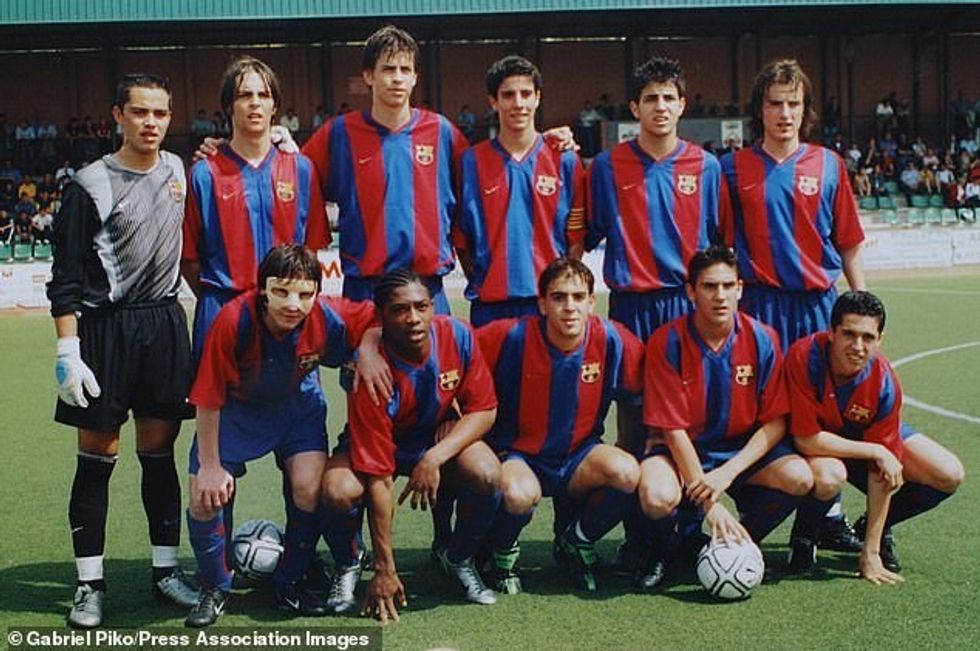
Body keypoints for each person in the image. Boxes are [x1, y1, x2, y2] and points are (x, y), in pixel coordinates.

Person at [46, 73, 198, 629]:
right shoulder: (88, 184)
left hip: (163, 324)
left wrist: (282, 138)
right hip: (105, 331)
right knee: (98, 458)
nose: (151, 123)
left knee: (158, 455)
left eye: (160, 112)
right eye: (139, 112)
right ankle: (89, 585)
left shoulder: (180, 171)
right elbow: (64, 278)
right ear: (117, 116)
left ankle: (165, 573)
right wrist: (68, 349)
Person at [183, 245, 378, 626]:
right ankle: (216, 586)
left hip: (297, 408)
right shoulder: (231, 321)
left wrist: (368, 347)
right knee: (204, 498)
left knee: (309, 488)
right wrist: (209, 465)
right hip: (236, 412)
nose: (293, 303)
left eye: (305, 294)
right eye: (282, 291)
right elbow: (207, 398)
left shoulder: (327, 316)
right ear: (262, 290)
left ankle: (290, 579)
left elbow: (376, 317)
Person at [719, 59, 866, 550]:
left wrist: (858, 300)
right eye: (775, 104)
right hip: (759, 305)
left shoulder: (828, 164)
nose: (784, 113)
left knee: (819, 407)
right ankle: (756, 493)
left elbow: (846, 240)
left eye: (794, 104)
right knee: (758, 404)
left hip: (817, 305)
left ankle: (828, 511)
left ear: (806, 110)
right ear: (759, 110)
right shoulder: (733, 167)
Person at [323, 269, 502, 621]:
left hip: (433, 438)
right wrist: (385, 568)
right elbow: (379, 479)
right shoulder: (370, 373)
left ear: (433, 306)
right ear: (381, 316)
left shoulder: (458, 335)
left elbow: (484, 410)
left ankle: (456, 556)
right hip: (380, 443)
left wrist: (435, 456)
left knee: (487, 473)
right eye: (400, 309)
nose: (413, 318)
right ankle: (350, 562)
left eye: (421, 307)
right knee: (337, 488)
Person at [635, 245, 813, 589]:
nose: (720, 296)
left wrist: (728, 473)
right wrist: (710, 504)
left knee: (800, 477)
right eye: (709, 286)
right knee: (656, 494)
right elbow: (672, 430)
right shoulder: (666, 341)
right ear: (691, 291)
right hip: (681, 450)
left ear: (740, 289)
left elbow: (776, 421)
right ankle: (666, 549)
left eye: (728, 286)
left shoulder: (763, 338)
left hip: (738, 450)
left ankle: (739, 543)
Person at [477, 258, 643, 593]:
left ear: (592, 302)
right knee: (518, 494)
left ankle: (576, 540)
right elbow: (453, 351)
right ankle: (501, 552)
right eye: (559, 297)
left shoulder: (613, 339)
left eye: (578, 297)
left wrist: (626, 443)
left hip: (580, 455)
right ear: (542, 303)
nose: (569, 307)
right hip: (521, 456)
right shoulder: (509, 336)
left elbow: (638, 394)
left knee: (627, 472)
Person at [785, 291, 964, 581]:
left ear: (879, 340)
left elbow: (882, 471)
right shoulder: (804, 357)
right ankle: (805, 536)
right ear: (831, 332)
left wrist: (870, 553)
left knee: (948, 472)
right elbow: (806, 439)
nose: (858, 346)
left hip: (861, 443)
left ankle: (875, 528)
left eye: (868, 337)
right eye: (849, 334)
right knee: (830, 475)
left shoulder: (883, 381)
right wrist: (875, 451)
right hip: (818, 447)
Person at [301, 25, 468, 315]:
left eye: (406, 69)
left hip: (427, 288)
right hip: (366, 291)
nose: (397, 78)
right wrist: (272, 139)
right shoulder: (339, 134)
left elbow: (490, 173)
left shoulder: (442, 132)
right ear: (369, 76)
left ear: (416, 77)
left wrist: (550, 143)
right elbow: (290, 175)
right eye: (389, 69)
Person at [182, 56, 328, 362]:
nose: (254, 103)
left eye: (263, 95)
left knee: (298, 406)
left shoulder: (302, 170)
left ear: (275, 106)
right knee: (218, 410)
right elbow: (190, 259)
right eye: (244, 95)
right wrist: (225, 301)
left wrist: (289, 301)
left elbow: (311, 249)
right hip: (223, 312)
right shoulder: (203, 175)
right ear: (228, 106)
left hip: (287, 318)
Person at [454, 55, 585, 328]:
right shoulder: (472, 161)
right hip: (491, 307)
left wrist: (561, 289)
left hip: (547, 305)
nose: (519, 103)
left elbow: (575, 234)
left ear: (537, 97)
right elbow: (462, 237)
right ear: (493, 101)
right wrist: (481, 281)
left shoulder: (564, 159)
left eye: (526, 94)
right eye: (508, 95)